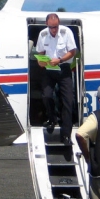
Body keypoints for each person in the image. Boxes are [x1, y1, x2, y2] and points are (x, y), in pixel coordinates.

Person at [34, 13, 77, 144]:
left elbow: (73, 51)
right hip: (49, 69)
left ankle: (66, 134)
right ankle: (52, 119)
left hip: (63, 68)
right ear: (47, 25)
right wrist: (40, 61)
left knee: (68, 101)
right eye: (51, 27)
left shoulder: (66, 32)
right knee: (46, 95)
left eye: (56, 26)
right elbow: (40, 52)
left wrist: (59, 60)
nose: (54, 29)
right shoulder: (42, 34)